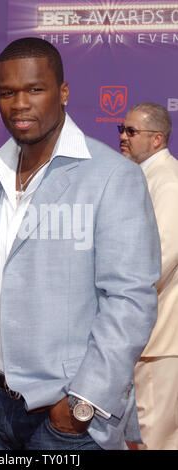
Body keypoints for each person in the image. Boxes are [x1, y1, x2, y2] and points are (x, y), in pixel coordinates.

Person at [0, 38, 161, 451]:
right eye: (7, 92)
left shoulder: (113, 177)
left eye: (34, 89)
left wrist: (80, 405)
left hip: (65, 419)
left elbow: (130, 300)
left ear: (63, 92)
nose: (19, 103)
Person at [118, 102, 178, 450]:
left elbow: (160, 260)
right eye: (121, 130)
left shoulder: (168, 182)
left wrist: (114, 296)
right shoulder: (145, 176)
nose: (123, 138)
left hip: (161, 337)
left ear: (156, 139)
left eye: (131, 132)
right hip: (146, 333)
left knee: (155, 437)